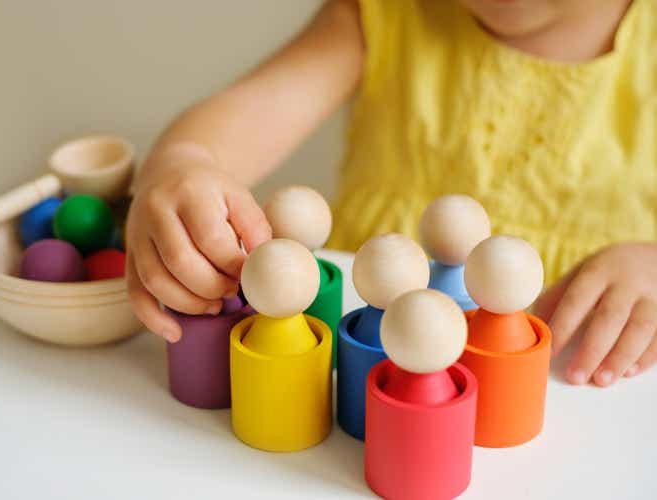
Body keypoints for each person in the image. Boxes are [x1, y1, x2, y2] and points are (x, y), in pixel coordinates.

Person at [125, 0, 657, 387]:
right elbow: (234, 126)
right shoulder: (378, 13)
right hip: (360, 348)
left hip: (581, 383)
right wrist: (179, 164)